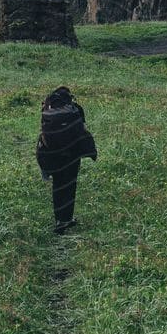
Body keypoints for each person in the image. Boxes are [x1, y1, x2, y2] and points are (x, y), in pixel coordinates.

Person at [36, 85, 97, 233]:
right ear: (69, 97)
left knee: (58, 185)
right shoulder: (75, 108)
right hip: (72, 153)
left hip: (53, 154)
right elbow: (82, 128)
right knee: (69, 186)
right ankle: (66, 218)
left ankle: (59, 220)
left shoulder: (47, 108)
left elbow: (44, 131)